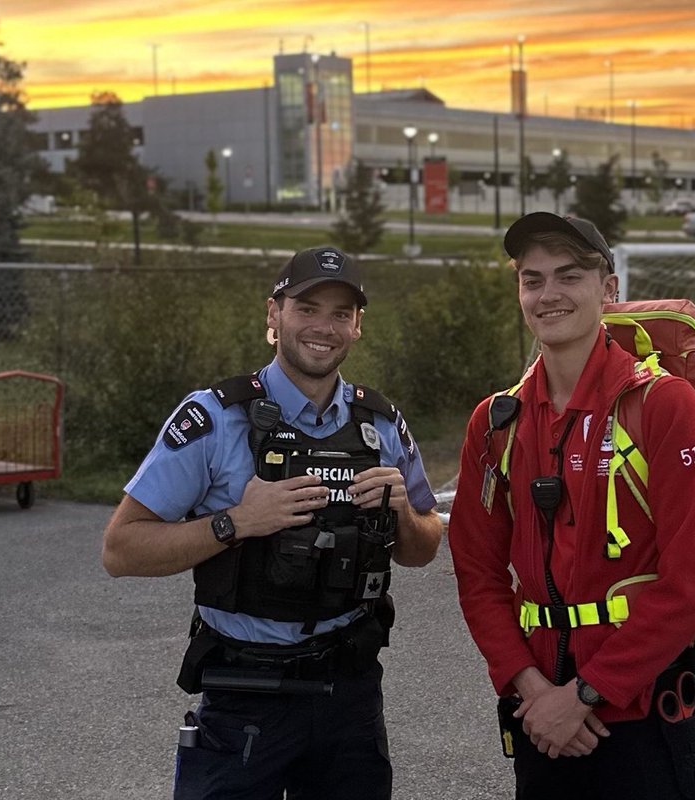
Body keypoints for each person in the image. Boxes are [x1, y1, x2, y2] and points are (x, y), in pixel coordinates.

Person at [102, 245, 443, 799]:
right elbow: (120, 549)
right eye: (307, 308)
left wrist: (404, 511)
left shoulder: (379, 423)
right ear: (273, 315)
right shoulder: (214, 418)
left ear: (357, 327)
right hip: (244, 694)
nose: (323, 327)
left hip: (348, 693)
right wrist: (234, 522)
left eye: (340, 314)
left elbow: (423, 547)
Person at [448, 213, 695, 800]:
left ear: (608, 288)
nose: (548, 295)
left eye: (568, 276)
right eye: (532, 279)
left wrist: (584, 694)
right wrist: (532, 691)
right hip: (540, 720)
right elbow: (477, 572)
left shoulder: (663, 405)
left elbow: (693, 582)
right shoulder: (496, 422)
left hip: (645, 717)